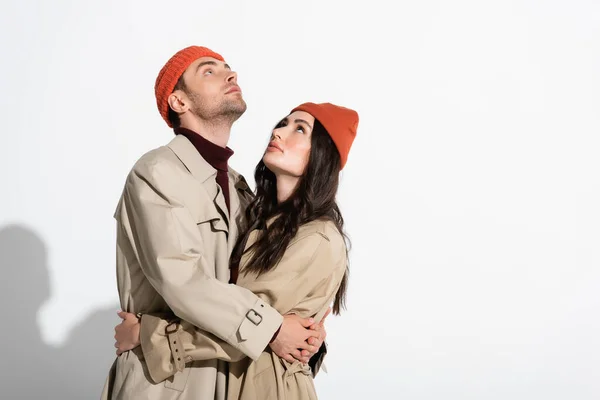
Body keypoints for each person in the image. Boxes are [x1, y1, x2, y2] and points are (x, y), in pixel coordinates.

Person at [101, 46, 327, 400]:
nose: (230, 75)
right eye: (209, 71)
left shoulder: (240, 189)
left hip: (233, 380)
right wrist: (273, 328)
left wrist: (307, 334)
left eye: (228, 68)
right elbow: (184, 281)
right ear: (179, 102)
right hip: (166, 385)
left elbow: (259, 292)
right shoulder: (157, 173)